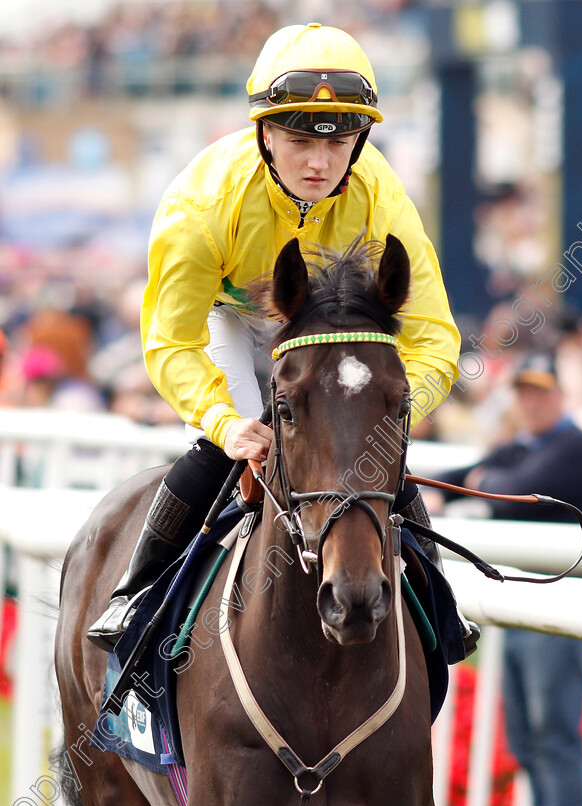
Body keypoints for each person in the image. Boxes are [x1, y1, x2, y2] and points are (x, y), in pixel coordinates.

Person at [87, 22, 470, 655]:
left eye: (341, 140)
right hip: (231, 315)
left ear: (363, 137)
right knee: (238, 445)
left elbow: (434, 342)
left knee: (365, 452)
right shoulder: (201, 205)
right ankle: (136, 596)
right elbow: (169, 341)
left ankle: (438, 611)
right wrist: (223, 421)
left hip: (326, 329)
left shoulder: (382, 194)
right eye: (298, 140)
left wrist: (393, 415)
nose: (320, 162)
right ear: (264, 132)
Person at [427, 350, 582, 806]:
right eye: (523, 393)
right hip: (534, 609)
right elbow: (467, 475)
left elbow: (517, 489)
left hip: (569, 610)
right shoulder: (521, 446)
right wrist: (468, 484)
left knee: (552, 740)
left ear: (558, 395)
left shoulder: (579, 448)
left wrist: (480, 484)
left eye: (539, 393)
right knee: (527, 739)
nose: (530, 403)